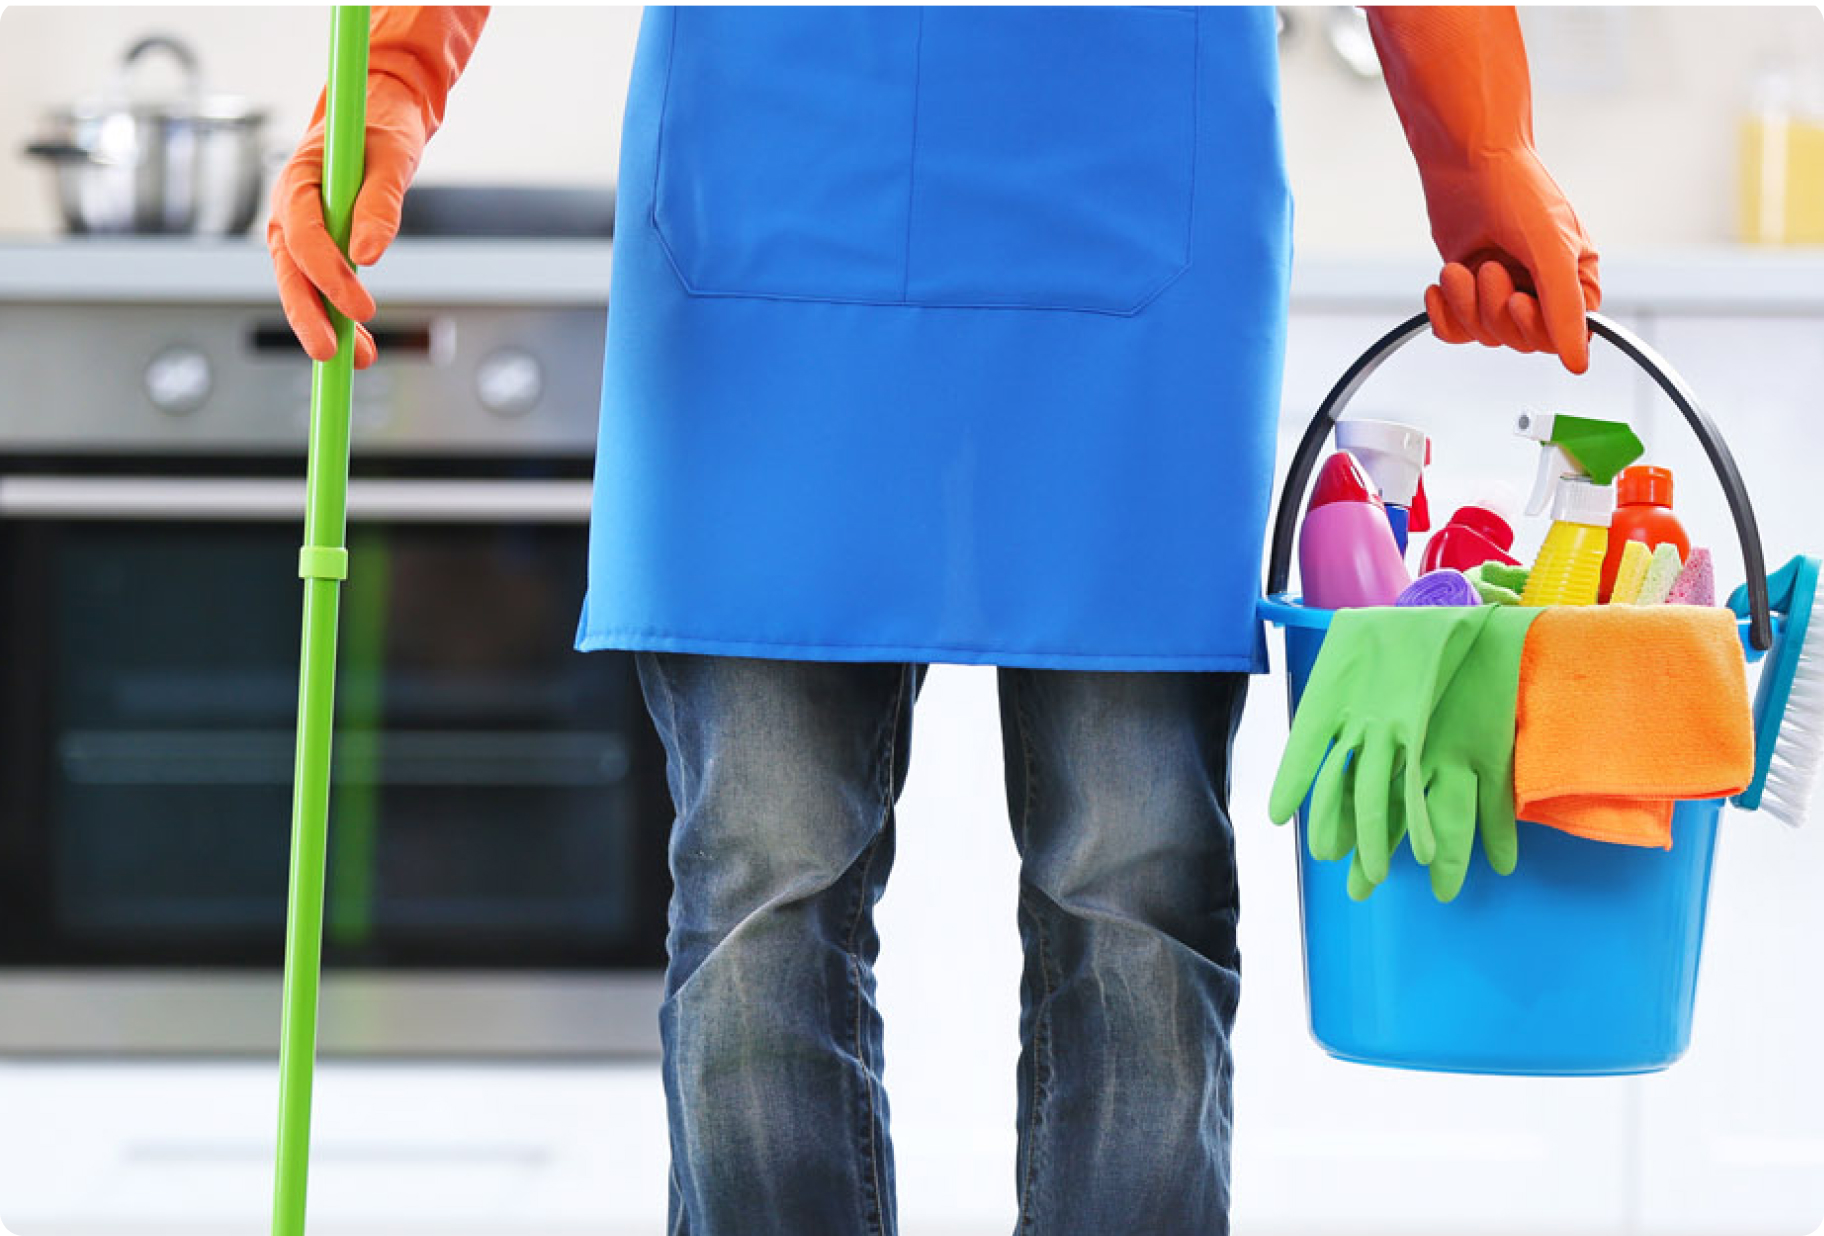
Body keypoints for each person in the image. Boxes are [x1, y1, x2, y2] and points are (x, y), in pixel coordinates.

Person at [268, 7, 1600, 1233]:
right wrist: (385, 72)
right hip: (770, 188)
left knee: (1130, 882)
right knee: (760, 887)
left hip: (1133, 168)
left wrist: (1482, 146)